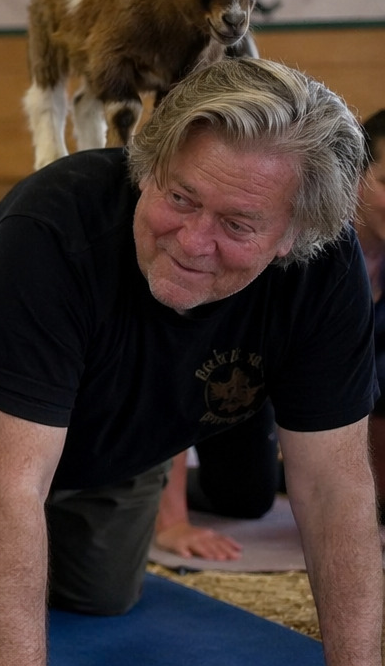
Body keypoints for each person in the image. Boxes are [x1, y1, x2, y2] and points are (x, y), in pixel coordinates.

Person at [0, 58, 385, 666]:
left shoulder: (324, 276)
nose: (193, 241)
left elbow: (335, 487)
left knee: (103, 598)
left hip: (130, 426)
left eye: (237, 224)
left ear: (295, 235)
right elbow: (11, 484)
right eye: (180, 197)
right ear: (149, 168)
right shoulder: (50, 232)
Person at [154, 105, 385, 558]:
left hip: (318, 410)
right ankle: (128, 481)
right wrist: (173, 523)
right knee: (246, 497)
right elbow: (177, 376)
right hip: (238, 386)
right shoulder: (283, 255)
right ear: (354, 180)